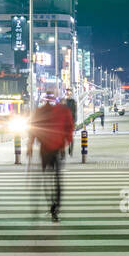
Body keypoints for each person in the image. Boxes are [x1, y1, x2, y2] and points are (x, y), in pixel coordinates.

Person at [28, 88, 73, 221]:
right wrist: (67, 143)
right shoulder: (63, 111)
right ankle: (54, 208)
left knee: (47, 178)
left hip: (46, 149)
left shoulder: (41, 111)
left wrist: (30, 144)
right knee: (56, 179)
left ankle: (52, 206)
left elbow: (33, 128)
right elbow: (69, 128)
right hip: (56, 149)